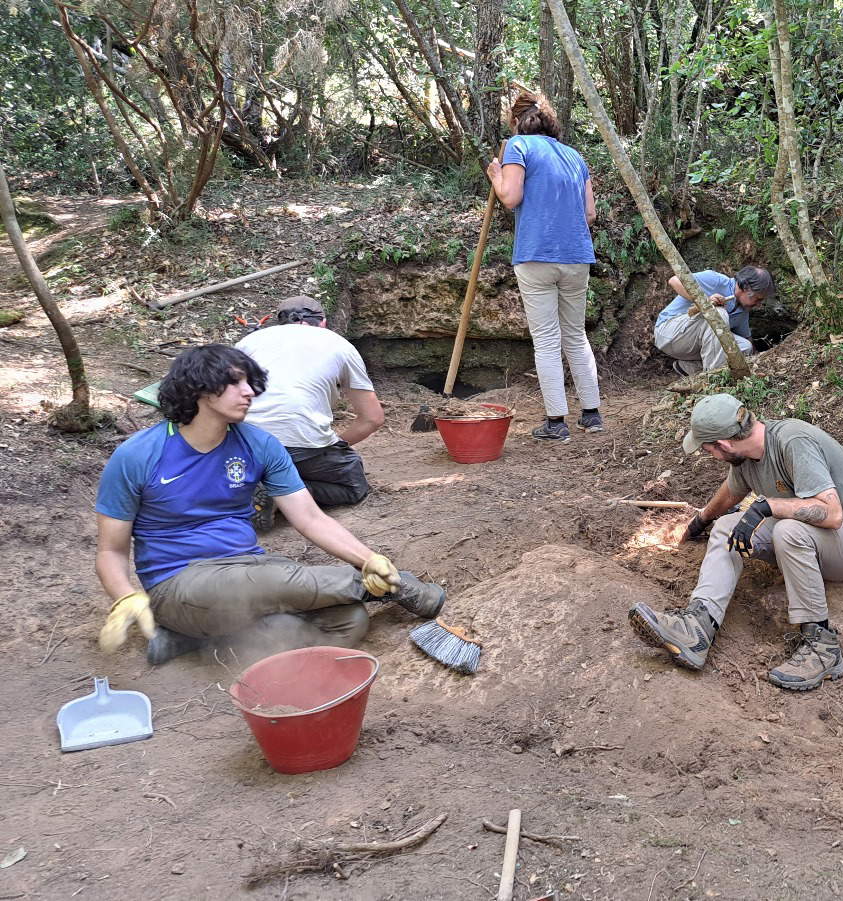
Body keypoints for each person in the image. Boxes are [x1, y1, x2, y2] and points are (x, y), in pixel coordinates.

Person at [95, 345, 446, 666]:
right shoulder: (138, 455)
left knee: (348, 620)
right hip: (179, 584)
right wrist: (126, 597)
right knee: (280, 579)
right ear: (199, 388)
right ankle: (405, 587)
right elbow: (111, 550)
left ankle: (193, 643)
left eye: (250, 382)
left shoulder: (259, 444)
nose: (249, 392)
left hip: (249, 571)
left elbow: (309, 517)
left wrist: (368, 559)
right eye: (235, 383)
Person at [628, 394, 843, 691]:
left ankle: (824, 647)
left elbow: (831, 515)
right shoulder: (746, 457)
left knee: (789, 531)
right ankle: (698, 626)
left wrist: (767, 507)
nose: (709, 455)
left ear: (723, 445)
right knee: (729, 524)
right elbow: (731, 492)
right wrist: (701, 520)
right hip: (818, 540)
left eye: (706, 449)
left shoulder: (793, 442)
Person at [486, 90, 603, 442]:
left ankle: (556, 422)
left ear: (516, 122)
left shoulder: (517, 146)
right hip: (576, 256)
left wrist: (495, 174)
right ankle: (592, 415)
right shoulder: (574, 156)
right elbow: (590, 214)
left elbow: (510, 197)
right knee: (575, 335)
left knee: (547, 340)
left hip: (536, 254)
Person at [236, 295, 383, 523]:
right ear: (322, 321)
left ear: (279, 322)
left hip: (243, 446)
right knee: (353, 485)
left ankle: (248, 487)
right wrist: (336, 445)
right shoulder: (339, 344)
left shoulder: (248, 342)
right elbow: (372, 419)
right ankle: (283, 495)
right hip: (303, 447)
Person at [653, 267, 774, 376]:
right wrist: (704, 301)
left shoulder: (742, 312)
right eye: (758, 299)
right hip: (669, 332)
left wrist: (761, 358)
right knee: (718, 313)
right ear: (746, 287)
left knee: (744, 347)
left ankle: (689, 368)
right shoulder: (715, 279)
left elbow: (747, 340)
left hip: (688, 348)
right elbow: (674, 280)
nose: (758, 305)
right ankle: (712, 377)